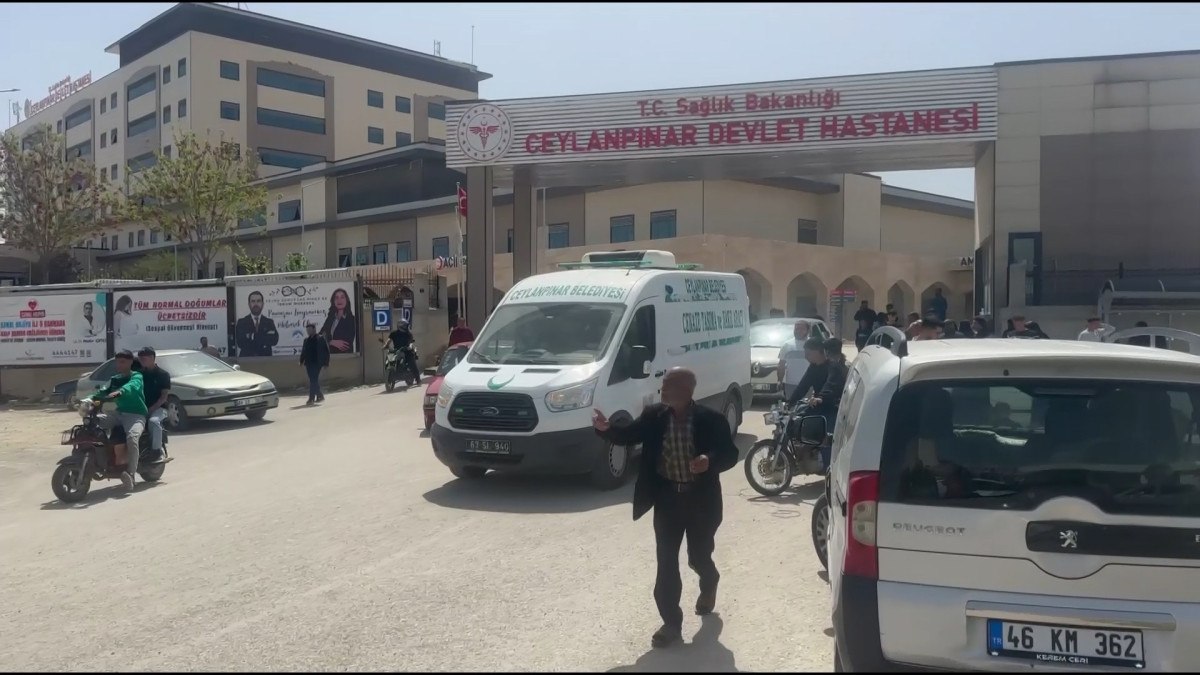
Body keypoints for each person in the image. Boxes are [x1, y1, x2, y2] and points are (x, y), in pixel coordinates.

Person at [591, 368, 739, 649]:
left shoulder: (711, 419)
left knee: (698, 557)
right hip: (668, 500)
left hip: (702, 502)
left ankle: (710, 580)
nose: (663, 388)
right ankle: (671, 623)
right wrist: (606, 429)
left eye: (668, 384)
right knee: (666, 561)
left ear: (686, 390)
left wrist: (709, 460)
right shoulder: (654, 416)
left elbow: (730, 454)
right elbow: (629, 435)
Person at [90, 349, 147, 491]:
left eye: (122, 362)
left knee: (132, 438)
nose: (119, 365)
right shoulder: (115, 379)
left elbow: (131, 387)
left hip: (136, 415)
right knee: (92, 422)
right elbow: (102, 391)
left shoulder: (137, 376)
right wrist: (89, 399)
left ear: (130, 362)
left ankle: (131, 474)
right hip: (118, 414)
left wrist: (119, 392)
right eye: (117, 362)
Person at [138, 347, 171, 462]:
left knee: (154, 421)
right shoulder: (138, 375)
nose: (142, 361)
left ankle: (157, 452)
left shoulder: (163, 374)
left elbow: (163, 397)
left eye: (144, 358)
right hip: (141, 408)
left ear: (152, 358)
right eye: (140, 358)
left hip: (159, 408)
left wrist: (150, 409)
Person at [786, 338, 831, 409]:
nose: (805, 357)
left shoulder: (832, 368)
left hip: (829, 405)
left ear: (817, 352)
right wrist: (790, 404)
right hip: (816, 404)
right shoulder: (813, 367)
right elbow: (803, 386)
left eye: (808, 354)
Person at [235, 291, 279, 357]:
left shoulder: (269, 322)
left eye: (258, 301)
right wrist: (264, 337)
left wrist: (251, 336)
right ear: (249, 304)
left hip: (265, 359)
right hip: (247, 359)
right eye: (253, 301)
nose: (256, 304)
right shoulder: (242, 322)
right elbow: (240, 343)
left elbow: (274, 340)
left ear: (262, 304)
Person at [777, 321, 811, 401]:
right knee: (791, 405)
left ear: (807, 330)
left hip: (808, 384)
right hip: (791, 384)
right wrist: (779, 380)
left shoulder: (812, 344)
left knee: (807, 406)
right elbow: (781, 365)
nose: (798, 331)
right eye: (796, 329)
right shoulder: (787, 345)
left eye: (801, 329)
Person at [299, 322, 330, 405]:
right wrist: (301, 361)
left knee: (313, 380)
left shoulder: (320, 338)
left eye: (309, 329)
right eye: (307, 330)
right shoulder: (306, 340)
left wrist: (326, 363)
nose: (308, 331)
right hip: (309, 363)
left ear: (314, 329)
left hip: (317, 363)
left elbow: (326, 351)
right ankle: (320, 395)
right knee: (313, 380)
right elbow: (304, 352)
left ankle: (311, 398)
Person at [320, 288, 357, 354]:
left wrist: (328, 341)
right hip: (329, 356)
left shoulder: (352, 320)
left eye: (342, 297)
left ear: (347, 300)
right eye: (336, 298)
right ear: (333, 301)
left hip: (345, 356)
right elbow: (320, 335)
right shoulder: (330, 318)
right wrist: (331, 342)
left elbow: (345, 343)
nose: (339, 300)